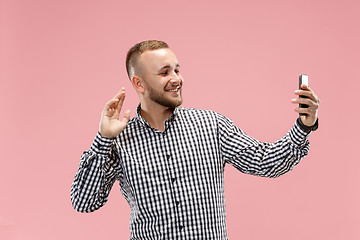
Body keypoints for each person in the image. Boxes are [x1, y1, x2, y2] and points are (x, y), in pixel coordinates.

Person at [71, 40, 319, 239]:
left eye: (177, 69)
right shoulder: (119, 140)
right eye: (164, 72)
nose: (176, 78)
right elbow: (84, 201)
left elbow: (265, 162)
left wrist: (304, 125)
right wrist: (103, 139)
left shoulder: (211, 125)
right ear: (140, 84)